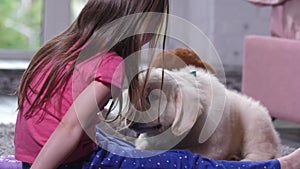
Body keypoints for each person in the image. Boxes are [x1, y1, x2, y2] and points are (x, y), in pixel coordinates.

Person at [13, 0, 300, 169]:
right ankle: (278, 166)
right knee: (182, 162)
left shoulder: (62, 46)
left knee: (114, 141)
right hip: (66, 163)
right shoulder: (109, 65)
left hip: (31, 155)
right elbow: (70, 127)